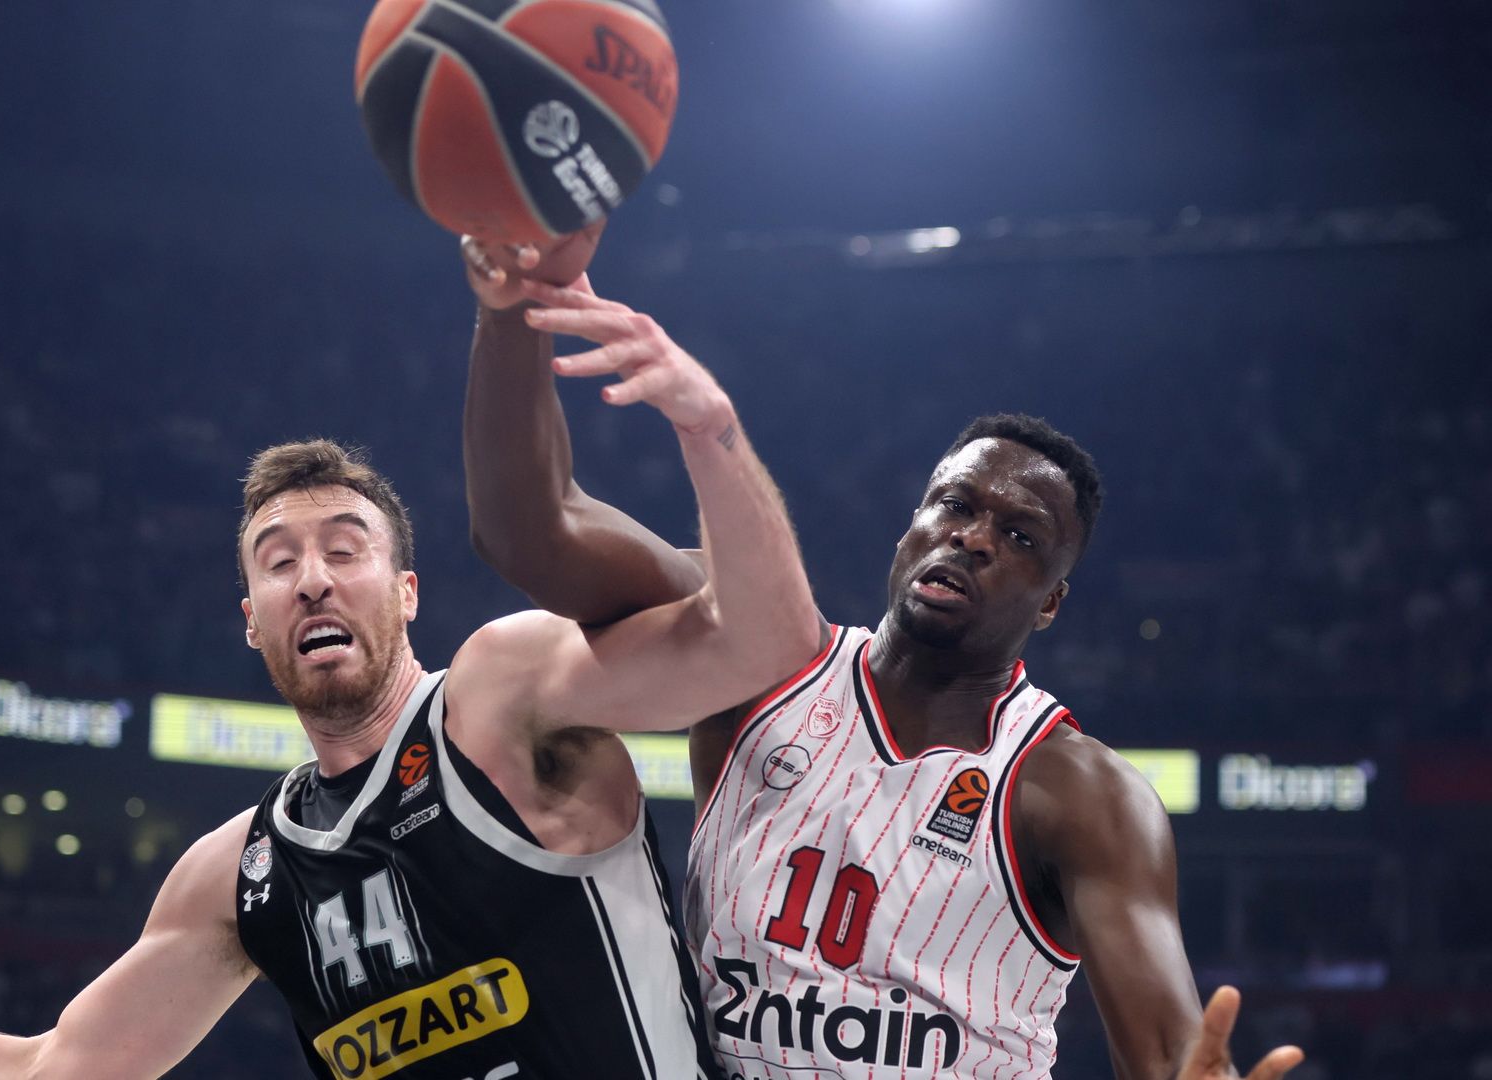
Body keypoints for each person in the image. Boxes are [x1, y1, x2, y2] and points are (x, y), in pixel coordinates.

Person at [0, 318, 820, 1077]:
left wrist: (707, 428)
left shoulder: (507, 696)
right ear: (250, 619)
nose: (311, 576)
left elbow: (770, 641)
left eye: (343, 549)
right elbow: (49, 1075)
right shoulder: (238, 874)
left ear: (406, 594)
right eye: (278, 561)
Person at [459, 234, 1306, 1080]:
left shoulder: (1083, 795)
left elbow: (1169, 1056)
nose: (973, 538)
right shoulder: (759, 655)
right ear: (910, 528)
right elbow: (528, 531)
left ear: (1051, 602)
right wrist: (509, 312)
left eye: (1019, 536)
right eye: (954, 505)